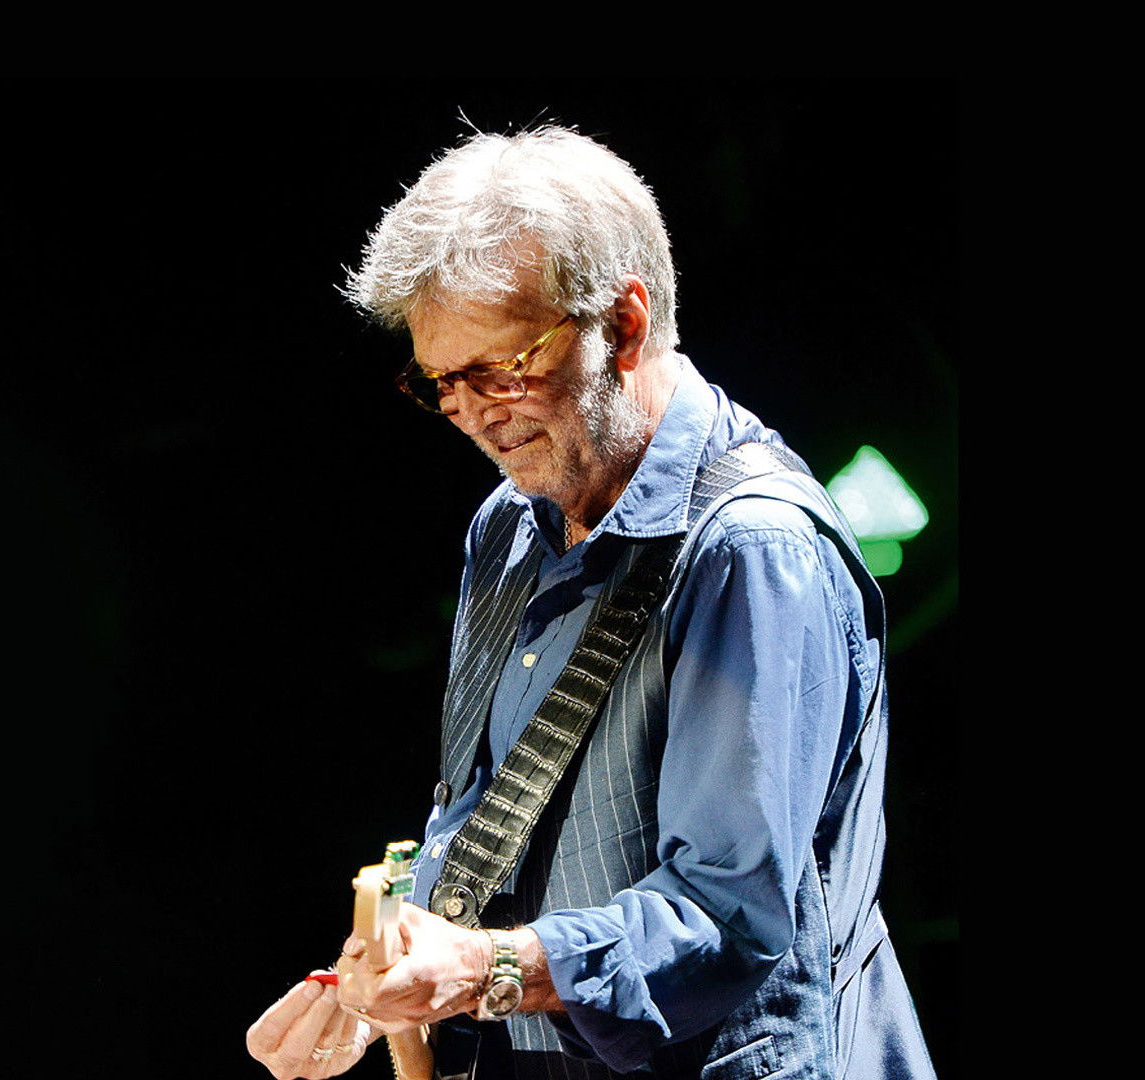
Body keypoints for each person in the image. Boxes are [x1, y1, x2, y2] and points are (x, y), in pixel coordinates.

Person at [246, 126, 936, 1079]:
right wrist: (386, 991)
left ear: (625, 325)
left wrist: (482, 971)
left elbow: (728, 914)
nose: (471, 412)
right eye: (440, 382)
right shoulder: (507, 522)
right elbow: (479, 822)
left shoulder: (751, 550)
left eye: (503, 369)